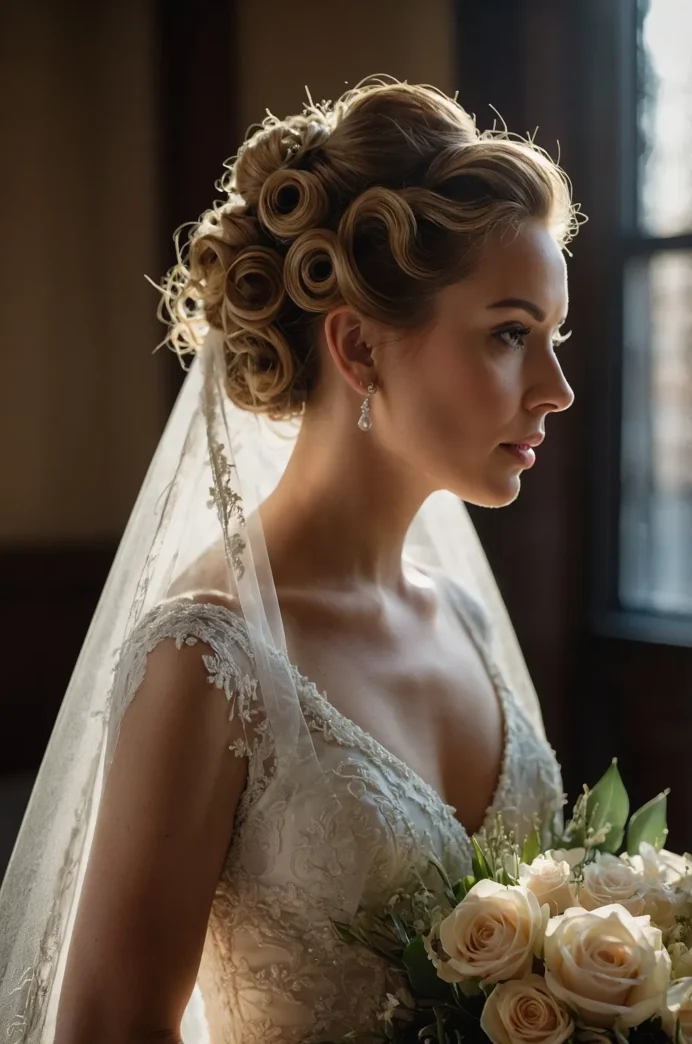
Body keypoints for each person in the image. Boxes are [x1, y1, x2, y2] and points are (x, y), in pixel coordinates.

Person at [0, 76, 582, 1044]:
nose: (554, 388)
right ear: (357, 345)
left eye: (552, 338)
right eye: (509, 335)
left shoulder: (467, 622)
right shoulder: (207, 663)